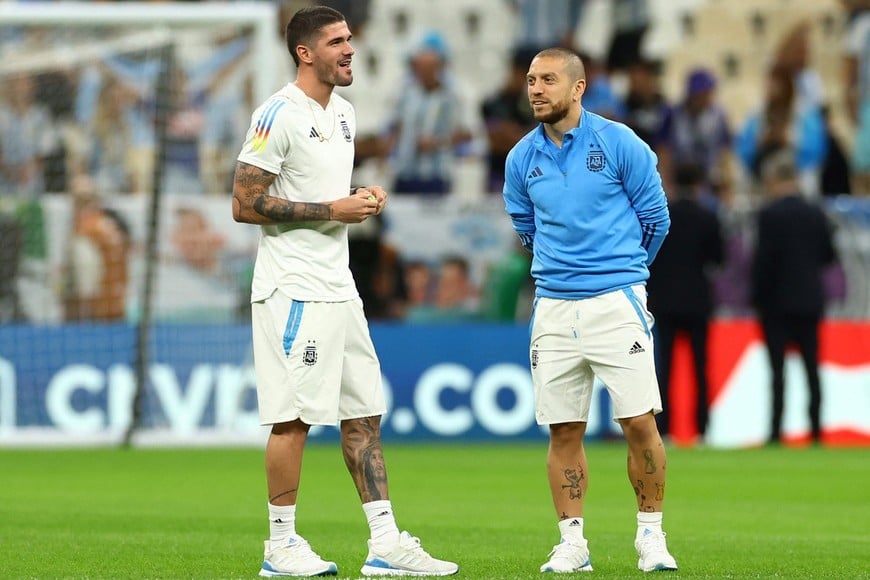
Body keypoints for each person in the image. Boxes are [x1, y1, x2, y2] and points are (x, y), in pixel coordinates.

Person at [231, 7, 458, 578]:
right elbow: (243, 202)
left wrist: (356, 198)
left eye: (349, 39)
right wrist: (333, 209)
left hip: (340, 285)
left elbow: (317, 193)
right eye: (336, 42)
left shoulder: (347, 115)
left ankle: (385, 543)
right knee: (294, 420)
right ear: (306, 53)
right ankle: (280, 546)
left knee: (364, 415)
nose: (349, 49)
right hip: (295, 288)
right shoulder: (276, 114)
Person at [503, 47, 677, 573]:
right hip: (553, 305)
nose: (536, 89)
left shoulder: (619, 142)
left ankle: (651, 536)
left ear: (578, 88)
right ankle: (572, 542)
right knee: (563, 429)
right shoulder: (520, 159)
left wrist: (622, 274)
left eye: (548, 79)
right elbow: (525, 228)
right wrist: (564, 274)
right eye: (532, 79)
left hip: (616, 301)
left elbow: (656, 221)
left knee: (638, 422)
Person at [750, 148, 837, 445]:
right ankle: (815, 430)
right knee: (812, 369)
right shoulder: (815, 213)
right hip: (810, 301)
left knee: (778, 371)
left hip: (776, 304)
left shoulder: (769, 214)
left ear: (774, 180)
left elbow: (763, 262)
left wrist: (757, 298)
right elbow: (828, 255)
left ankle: (776, 431)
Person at [646, 162, 724, 442]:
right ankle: (702, 430)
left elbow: (649, 254)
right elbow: (718, 259)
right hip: (697, 301)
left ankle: (664, 429)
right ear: (699, 183)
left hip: (664, 301)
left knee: (663, 368)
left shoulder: (662, 215)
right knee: (700, 367)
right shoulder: (708, 216)